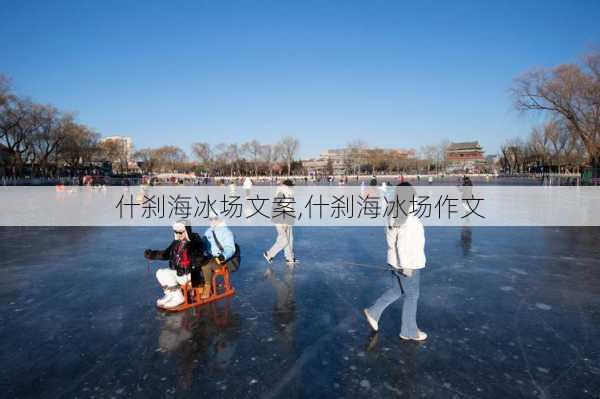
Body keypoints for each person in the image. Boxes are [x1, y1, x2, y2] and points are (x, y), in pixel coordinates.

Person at [363, 182, 428, 341]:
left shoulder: (393, 212)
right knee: (412, 295)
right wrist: (406, 265)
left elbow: (392, 240)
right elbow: (403, 244)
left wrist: (396, 262)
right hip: (408, 263)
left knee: (397, 290)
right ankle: (409, 331)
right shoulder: (409, 218)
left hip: (395, 260)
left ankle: (374, 312)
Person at [144, 219, 206, 309]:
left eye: (181, 232)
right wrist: (152, 255)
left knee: (171, 276)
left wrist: (191, 262)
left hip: (190, 275)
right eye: (176, 232)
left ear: (187, 231)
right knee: (160, 273)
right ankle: (171, 295)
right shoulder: (177, 242)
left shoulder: (195, 243)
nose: (178, 234)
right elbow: (166, 254)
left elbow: (199, 258)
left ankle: (178, 298)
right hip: (179, 272)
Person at [200, 212, 236, 299]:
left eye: (215, 218)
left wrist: (223, 256)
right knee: (196, 262)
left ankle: (207, 287)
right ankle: (199, 284)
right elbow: (203, 245)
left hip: (221, 259)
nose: (213, 221)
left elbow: (230, 248)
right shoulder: (208, 231)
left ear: (220, 218)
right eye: (211, 219)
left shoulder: (226, 231)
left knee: (206, 265)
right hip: (209, 257)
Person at [263, 179, 298, 265]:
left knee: (289, 239)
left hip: (287, 220)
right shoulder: (282, 193)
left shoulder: (287, 193)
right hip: (281, 221)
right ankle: (269, 254)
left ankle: (289, 258)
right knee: (284, 240)